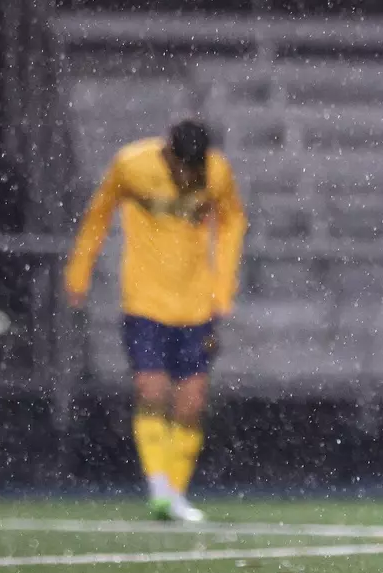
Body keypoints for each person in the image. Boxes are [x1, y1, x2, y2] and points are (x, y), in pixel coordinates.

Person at [64, 120, 247, 522]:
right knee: (151, 389)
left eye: (195, 169)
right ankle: (159, 489)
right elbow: (99, 214)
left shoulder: (216, 172)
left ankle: (175, 494)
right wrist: (79, 272)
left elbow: (233, 221)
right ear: (168, 156)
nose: (189, 176)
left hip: (196, 303)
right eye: (183, 167)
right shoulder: (132, 165)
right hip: (144, 300)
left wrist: (222, 288)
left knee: (192, 401)